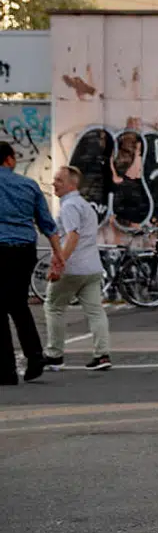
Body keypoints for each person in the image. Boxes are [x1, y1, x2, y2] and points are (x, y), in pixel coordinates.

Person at [0, 142, 67, 384]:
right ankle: (35, 356)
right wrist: (58, 255)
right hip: (23, 250)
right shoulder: (29, 185)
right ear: (8, 159)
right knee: (18, 304)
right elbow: (47, 225)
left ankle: (6, 370)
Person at [42, 165, 111, 372]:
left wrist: (59, 262)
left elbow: (73, 235)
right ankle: (102, 355)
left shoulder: (69, 206)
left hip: (72, 268)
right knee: (96, 312)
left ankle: (55, 355)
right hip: (91, 267)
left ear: (72, 184)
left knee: (53, 307)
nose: (54, 183)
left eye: (59, 180)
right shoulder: (85, 205)